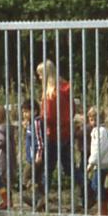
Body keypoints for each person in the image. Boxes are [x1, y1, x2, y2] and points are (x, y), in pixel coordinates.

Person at [35, 60, 76, 198]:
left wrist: (40, 120)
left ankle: (42, 198)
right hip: (66, 132)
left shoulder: (51, 93)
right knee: (69, 167)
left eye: (40, 74)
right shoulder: (65, 88)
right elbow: (73, 109)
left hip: (53, 133)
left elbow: (49, 116)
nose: (39, 78)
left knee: (48, 167)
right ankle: (87, 190)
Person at [84, 106, 108, 211]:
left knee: (96, 185)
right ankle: (106, 204)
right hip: (102, 162)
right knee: (96, 185)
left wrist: (91, 163)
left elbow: (99, 149)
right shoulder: (99, 130)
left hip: (103, 163)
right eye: (91, 119)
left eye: (94, 119)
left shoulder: (100, 131)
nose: (92, 121)